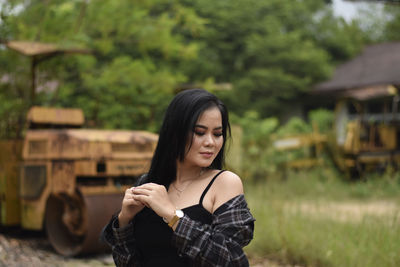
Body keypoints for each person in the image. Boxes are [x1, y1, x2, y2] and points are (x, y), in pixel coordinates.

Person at [101, 89, 255, 267]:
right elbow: (127, 262)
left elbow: (231, 260)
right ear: (174, 133)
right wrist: (125, 220)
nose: (211, 142)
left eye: (217, 134)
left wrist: (172, 216)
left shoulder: (224, 183)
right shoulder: (148, 184)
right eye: (199, 132)